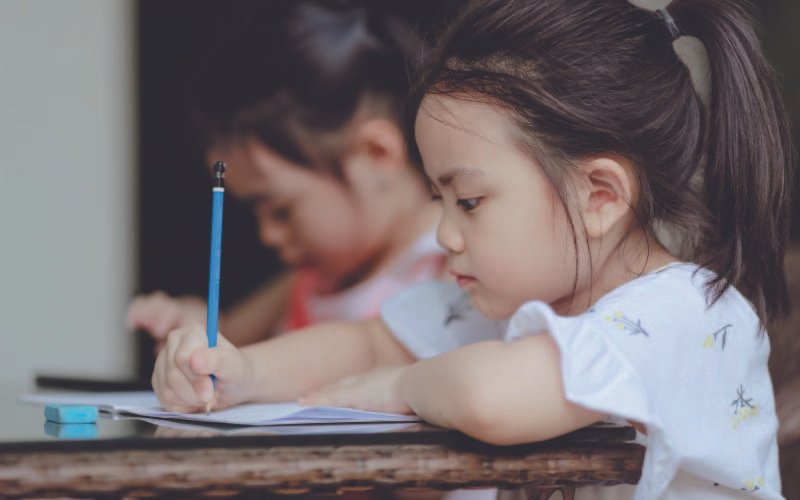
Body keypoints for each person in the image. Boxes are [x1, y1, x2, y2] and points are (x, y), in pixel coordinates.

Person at [150, 0, 795, 498]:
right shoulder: (509, 303)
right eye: (437, 197)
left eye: (469, 201)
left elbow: (490, 398)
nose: (444, 235)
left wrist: (401, 385)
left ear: (599, 195)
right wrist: (243, 372)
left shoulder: (688, 315)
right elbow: (366, 343)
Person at [127, 0, 447, 352]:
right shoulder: (308, 282)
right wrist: (192, 331)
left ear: (376, 155)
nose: (268, 235)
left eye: (281, 210)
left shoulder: (447, 264)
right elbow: (228, 345)